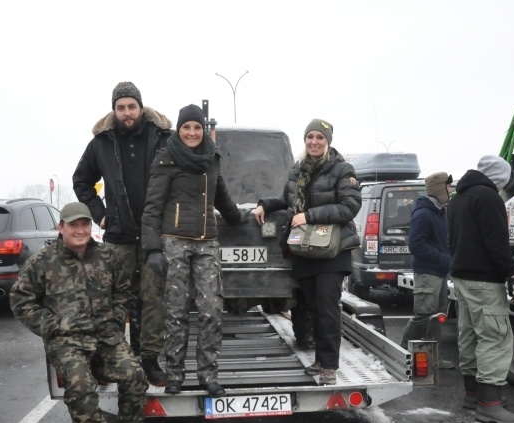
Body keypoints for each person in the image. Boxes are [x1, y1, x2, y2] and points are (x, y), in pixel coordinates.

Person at [9, 202, 153, 423]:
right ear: (60, 227)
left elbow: (124, 291)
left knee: (135, 376)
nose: (80, 230)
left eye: (84, 224)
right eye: (73, 225)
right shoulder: (43, 261)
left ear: (91, 227)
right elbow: (20, 300)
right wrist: (50, 326)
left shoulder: (108, 256)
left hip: (105, 338)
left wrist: (114, 318)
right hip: (68, 343)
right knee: (81, 387)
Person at [72, 81, 172, 387]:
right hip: (119, 235)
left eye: (131, 106)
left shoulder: (163, 137)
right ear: (113, 110)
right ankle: (114, 358)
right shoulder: (101, 142)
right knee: (114, 300)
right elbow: (81, 180)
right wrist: (100, 214)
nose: (127, 113)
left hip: (155, 235)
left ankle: (150, 360)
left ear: (141, 107)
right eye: (120, 107)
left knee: (152, 299)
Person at [141, 104, 243, 398]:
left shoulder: (212, 158)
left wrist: (241, 218)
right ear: (179, 130)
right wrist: (152, 249)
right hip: (174, 241)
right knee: (176, 312)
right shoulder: (167, 159)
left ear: (203, 130)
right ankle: (174, 374)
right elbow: (152, 206)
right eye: (187, 127)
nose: (192, 132)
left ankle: (207, 375)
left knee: (212, 309)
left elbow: (220, 194)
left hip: (207, 242)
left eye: (196, 127)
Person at [253, 119, 361, 385]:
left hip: (332, 253)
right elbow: (287, 201)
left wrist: (310, 215)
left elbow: (350, 206)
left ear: (328, 142)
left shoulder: (342, 169)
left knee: (327, 307)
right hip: (305, 250)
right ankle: (320, 360)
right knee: (312, 306)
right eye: (310, 137)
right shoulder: (298, 170)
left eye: (320, 138)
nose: (314, 142)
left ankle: (329, 366)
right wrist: (263, 204)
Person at [448, 155, 514, 423]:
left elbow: (453, 240)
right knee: (495, 337)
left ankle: (473, 395)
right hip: (484, 281)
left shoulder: (457, 200)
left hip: (461, 278)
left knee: (469, 335)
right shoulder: (489, 198)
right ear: (499, 178)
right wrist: (512, 273)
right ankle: (490, 403)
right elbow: (497, 243)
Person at [400, 171, 455, 369]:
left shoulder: (439, 212)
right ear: (440, 188)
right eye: (448, 186)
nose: (451, 189)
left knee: (437, 316)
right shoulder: (423, 213)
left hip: (439, 272)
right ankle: (403, 352)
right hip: (427, 273)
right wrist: (445, 259)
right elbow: (416, 245)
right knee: (423, 315)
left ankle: (433, 357)